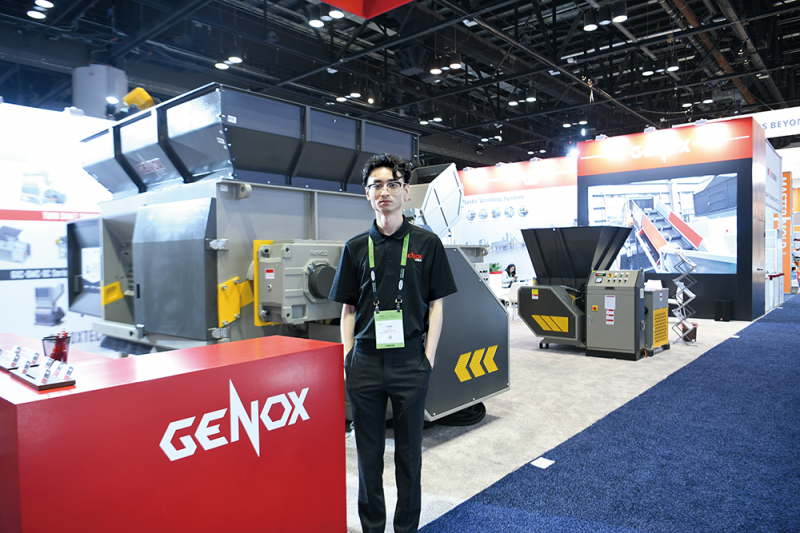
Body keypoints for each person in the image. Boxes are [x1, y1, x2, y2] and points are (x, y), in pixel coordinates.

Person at [329, 153, 458, 533]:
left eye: (391, 184)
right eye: (376, 185)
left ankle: (406, 528)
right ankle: (372, 527)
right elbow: (348, 310)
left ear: (405, 191)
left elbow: (436, 305)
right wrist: (348, 357)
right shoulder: (355, 248)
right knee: (368, 454)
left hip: (409, 361)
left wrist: (428, 358)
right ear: (367, 194)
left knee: (408, 454)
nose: (384, 191)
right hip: (365, 362)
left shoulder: (427, 243)